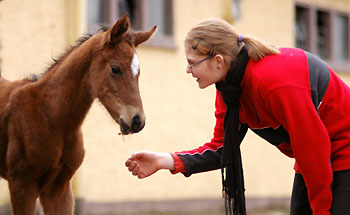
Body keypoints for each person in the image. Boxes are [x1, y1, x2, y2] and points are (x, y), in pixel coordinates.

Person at [125, 17, 350, 215]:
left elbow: (312, 148)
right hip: (314, 156)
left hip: (342, 148)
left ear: (218, 61)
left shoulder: (272, 82)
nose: (187, 70)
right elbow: (221, 149)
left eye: (192, 63)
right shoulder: (229, 91)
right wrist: (166, 160)